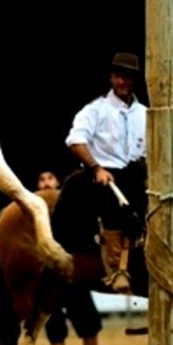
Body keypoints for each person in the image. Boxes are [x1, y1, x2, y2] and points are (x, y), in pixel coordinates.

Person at [64, 52, 147, 293]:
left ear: (134, 80)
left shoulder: (144, 113)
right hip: (103, 175)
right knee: (113, 207)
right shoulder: (95, 110)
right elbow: (75, 140)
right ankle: (116, 269)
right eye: (119, 76)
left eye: (128, 77)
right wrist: (96, 167)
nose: (123, 82)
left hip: (134, 172)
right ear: (111, 78)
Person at [36, 171, 104, 345]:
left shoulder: (71, 205)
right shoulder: (34, 209)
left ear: (57, 182)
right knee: (54, 326)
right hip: (47, 274)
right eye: (42, 179)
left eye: (50, 178)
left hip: (74, 271)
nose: (47, 183)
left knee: (89, 323)